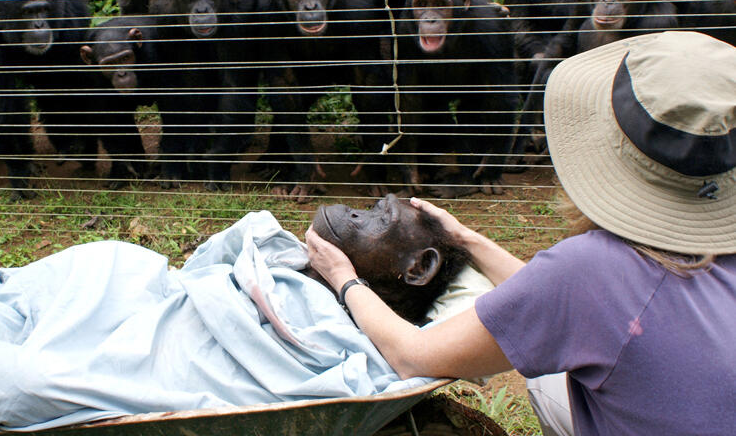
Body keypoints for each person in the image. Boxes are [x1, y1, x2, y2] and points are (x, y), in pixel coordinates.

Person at [306, 30, 736, 436]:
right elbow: (570, 301)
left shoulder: (589, 267)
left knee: (547, 379)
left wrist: (344, 277)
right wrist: (465, 238)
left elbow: (411, 356)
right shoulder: (605, 272)